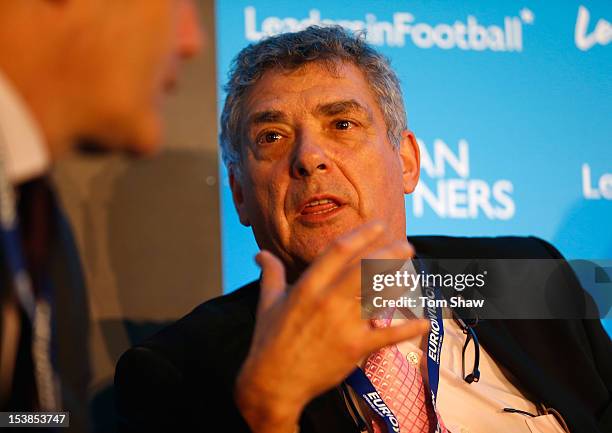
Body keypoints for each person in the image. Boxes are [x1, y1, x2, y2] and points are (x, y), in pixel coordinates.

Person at [114, 26, 612, 433]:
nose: (308, 157)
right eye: (272, 136)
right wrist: (269, 413)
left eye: (343, 124)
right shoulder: (181, 372)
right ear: (240, 194)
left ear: (407, 161)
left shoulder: (524, 274)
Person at [0, 0, 202, 431]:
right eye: (177, 4)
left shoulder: (40, 226)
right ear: (238, 188)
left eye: (345, 125)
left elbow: (23, 420)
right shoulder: (191, 363)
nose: (191, 41)